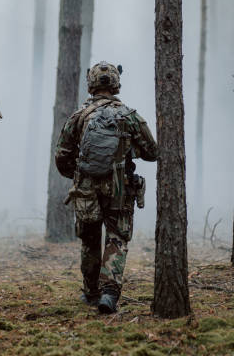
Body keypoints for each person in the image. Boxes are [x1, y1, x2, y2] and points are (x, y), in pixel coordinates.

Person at [55, 61, 158, 314]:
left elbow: (62, 155)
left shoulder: (79, 116)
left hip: (86, 189)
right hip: (119, 188)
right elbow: (152, 152)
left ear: (91, 84)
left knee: (90, 240)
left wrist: (79, 174)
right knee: (116, 238)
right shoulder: (130, 115)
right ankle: (109, 294)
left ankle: (91, 293)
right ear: (116, 84)